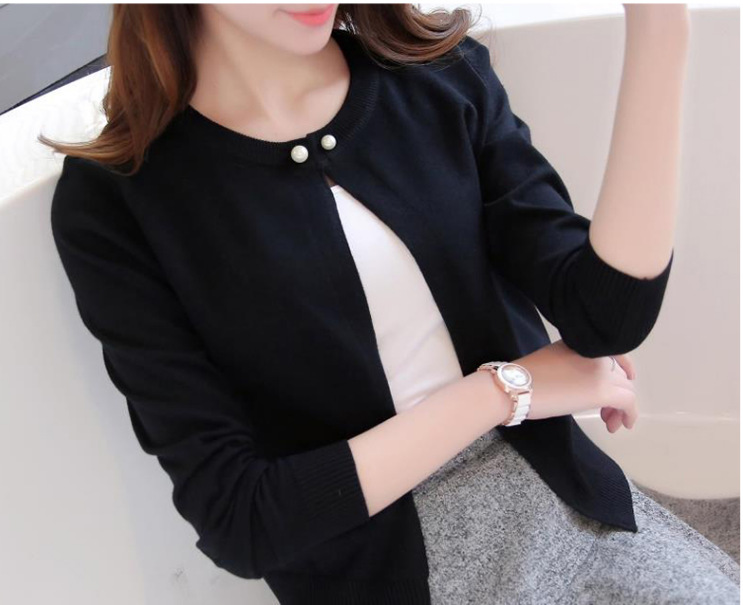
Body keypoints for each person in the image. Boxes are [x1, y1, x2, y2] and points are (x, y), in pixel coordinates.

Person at [45, 4, 739, 604]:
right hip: (382, 575)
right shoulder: (117, 201)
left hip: (571, 507)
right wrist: (505, 390)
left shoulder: (437, 76)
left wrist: (660, 25)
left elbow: (607, 315)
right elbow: (242, 520)